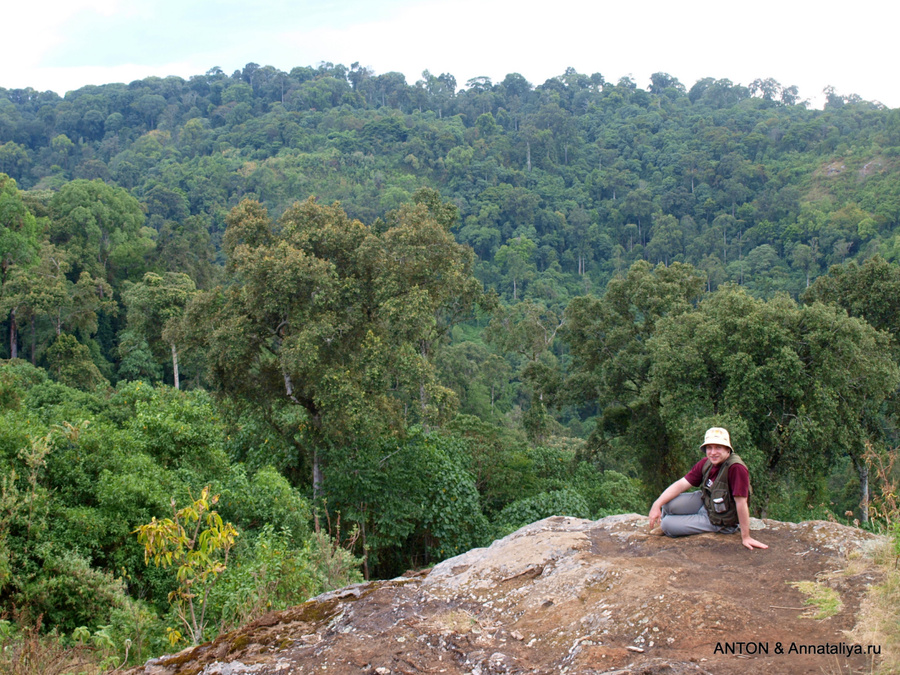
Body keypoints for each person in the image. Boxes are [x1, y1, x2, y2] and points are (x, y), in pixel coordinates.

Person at [648, 427, 768, 551]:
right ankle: (670, 524)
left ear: (728, 449)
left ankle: (667, 527)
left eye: (718, 447)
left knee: (667, 524)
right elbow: (682, 484)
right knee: (667, 504)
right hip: (706, 503)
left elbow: (741, 503)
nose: (713, 452)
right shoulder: (707, 463)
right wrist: (657, 504)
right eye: (709, 448)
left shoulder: (736, 468)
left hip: (720, 519)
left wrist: (746, 536)